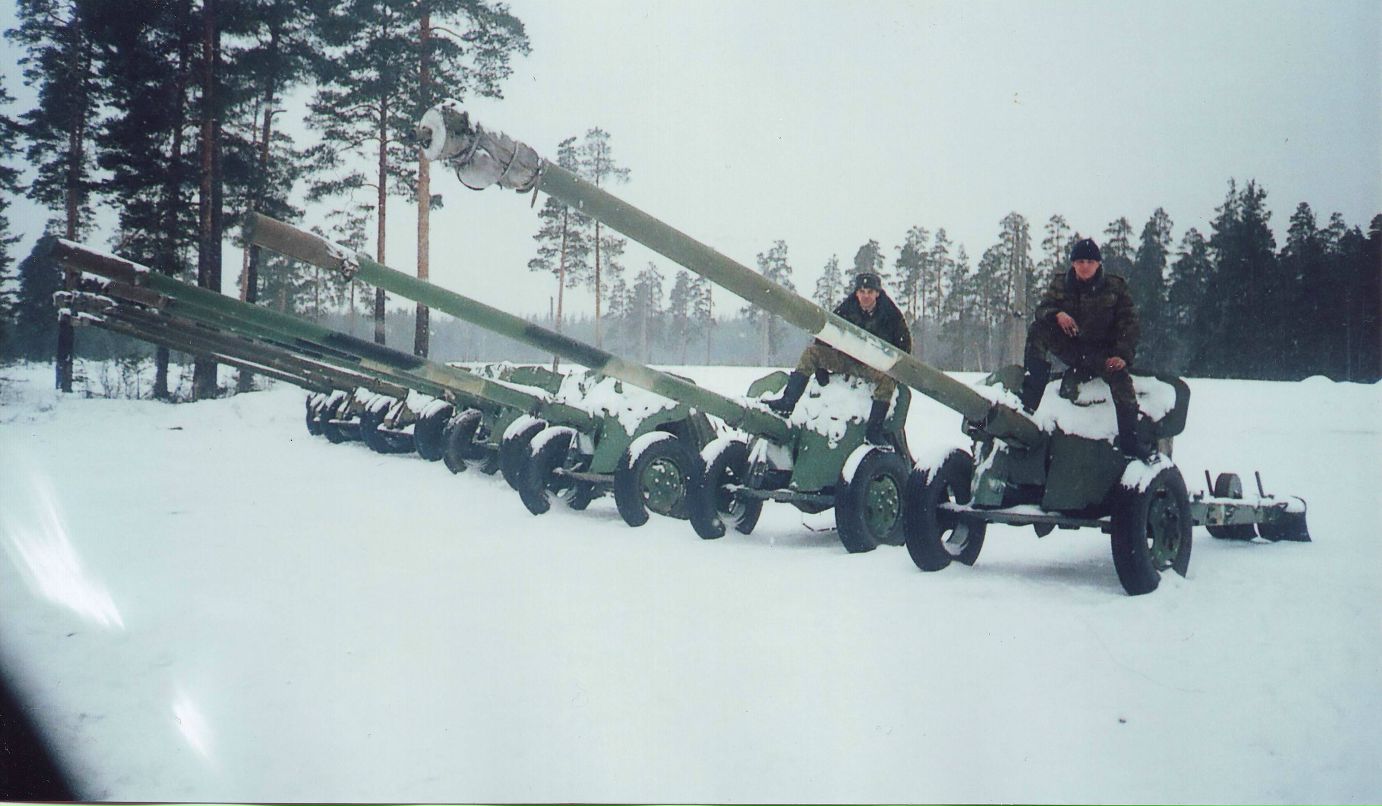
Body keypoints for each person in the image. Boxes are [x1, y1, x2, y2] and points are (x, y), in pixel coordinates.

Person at [1018, 237, 1151, 459]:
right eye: (1080, 261)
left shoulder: (1115, 287)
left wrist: (1122, 355)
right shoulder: (1061, 284)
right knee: (1038, 329)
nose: (1085, 266)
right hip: (1072, 347)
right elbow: (1042, 310)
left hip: (1102, 354)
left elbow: (1129, 323)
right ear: (1073, 263)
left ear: (1098, 264)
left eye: (1090, 261)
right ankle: (1030, 396)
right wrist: (1057, 314)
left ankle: (1130, 441)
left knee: (1121, 381)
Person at [766, 271, 912, 445]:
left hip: (873, 366)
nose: (865, 296)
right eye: (862, 292)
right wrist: (820, 367)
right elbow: (828, 331)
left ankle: (873, 431)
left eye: (870, 292)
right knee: (811, 353)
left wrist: (896, 371)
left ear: (877, 294)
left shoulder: (891, 314)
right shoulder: (848, 307)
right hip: (847, 359)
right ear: (856, 293)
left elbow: (904, 344)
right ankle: (787, 404)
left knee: (888, 381)